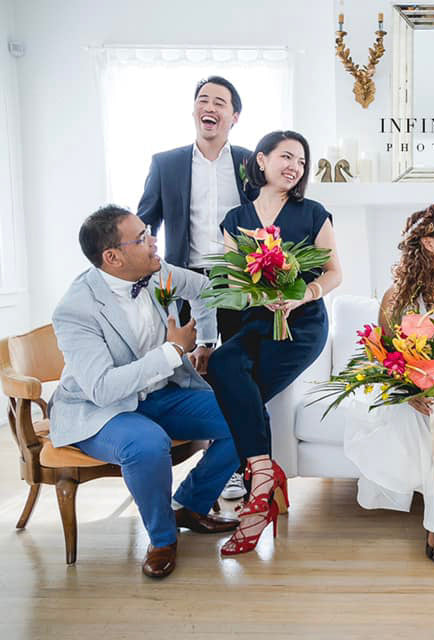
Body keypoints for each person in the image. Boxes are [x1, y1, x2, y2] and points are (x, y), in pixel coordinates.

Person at [49, 206, 240, 579]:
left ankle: (190, 504)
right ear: (112, 257)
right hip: (101, 409)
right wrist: (172, 351)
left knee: (245, 415)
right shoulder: (75, 310)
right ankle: (163, 538)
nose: (154, 241)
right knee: (146, 443)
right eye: (141, 238)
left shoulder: (156, 270)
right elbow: (102, 388)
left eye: (148, 232)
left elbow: (204, 289)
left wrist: (204, 341)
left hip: (161, 392)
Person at [206, 130, 343, 556]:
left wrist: (302, 294)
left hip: (301, 326)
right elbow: (231, 280)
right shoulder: (235, 218)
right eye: (287, 157)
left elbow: (335, 273)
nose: (294, 167)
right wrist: (261, 295)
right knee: (224, 364)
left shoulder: (314, 212)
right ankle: (264, 481)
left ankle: (256, 494)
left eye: (301, 162)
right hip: (253, 323)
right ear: (261, 160)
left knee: (239, 397)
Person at [343, 204, 434, 565]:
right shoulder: (396, 297)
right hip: (415, 388)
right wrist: (410, 392)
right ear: (428, 243)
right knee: (411, 412)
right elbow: (387, 356)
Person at [137, 75, 254, 502]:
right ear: (194, 112)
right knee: (186, 370)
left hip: (239, 281)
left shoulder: (249, 162)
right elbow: (144, 220)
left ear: (233, 116)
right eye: (203, 100)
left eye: (220, 101)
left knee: (239, 371)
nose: (210, 106)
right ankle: (174, 456)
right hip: (183, 280)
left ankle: (238, 466)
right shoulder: (165, 163)